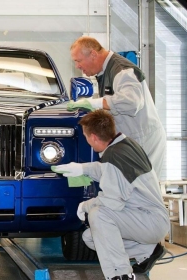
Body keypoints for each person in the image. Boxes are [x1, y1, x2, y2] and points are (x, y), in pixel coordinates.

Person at [53, 110, 169, 280]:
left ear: (93, 137)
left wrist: (85, 206)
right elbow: (109, 171)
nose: (87, 140)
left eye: (85, 136)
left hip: (149, 220)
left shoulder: (113, 156)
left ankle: (120, 274)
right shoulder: (126, 145)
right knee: (90, 238)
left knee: (99, 215)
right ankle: (148, 251)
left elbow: (112, 202)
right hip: (149, 218)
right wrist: (81, 168)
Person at [68, 36, 166, 179]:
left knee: (139, 194)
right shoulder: (105, 72)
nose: (77, 66)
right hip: (132, 141)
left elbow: (131, 102)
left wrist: (95, 103)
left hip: (143, 141)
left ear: (93, 54)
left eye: (78, 60)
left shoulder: (122, 70)